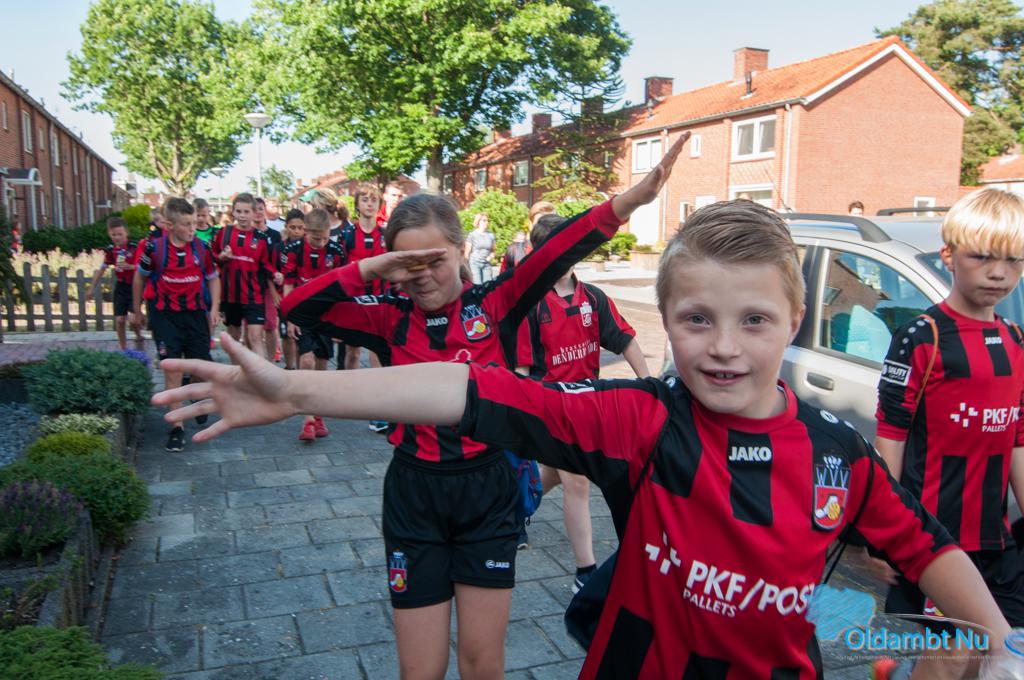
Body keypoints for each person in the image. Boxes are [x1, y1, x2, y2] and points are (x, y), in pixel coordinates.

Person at [156, 187, 1013, 678]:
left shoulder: (839, 452)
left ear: (795, 319)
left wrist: (1000, 646)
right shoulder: (639, 421)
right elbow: (466, 388)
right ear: (666, 322)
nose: (723, 346)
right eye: (697, 319)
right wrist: (295, 389)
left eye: (754, 319)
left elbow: (924, 547)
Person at [865, 188, 1024, 680]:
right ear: (949, 256)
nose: (998, 273)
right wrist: (881, 538)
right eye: (982, 257)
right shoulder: (922, 336)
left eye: (1013, 261)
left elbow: (1017, 440)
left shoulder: (1016, 341)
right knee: (951, 656)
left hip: (995, 541)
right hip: (933, 540)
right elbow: (890, 438)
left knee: (1000, 653)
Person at [513, 213, 651, 565]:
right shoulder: (530, 304)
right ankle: (586, 570)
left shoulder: (593, 297)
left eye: (570, 247)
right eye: (555, 249)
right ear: (539, 254)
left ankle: (510, 510)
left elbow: (625, 340)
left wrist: (648, 384)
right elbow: (522, 370)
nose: (564, 256)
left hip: (588, 406)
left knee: (554, 475)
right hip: (550, 407)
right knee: (578, 482)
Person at [133, 197, 220, 452]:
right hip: (165, 316)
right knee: (172, 368)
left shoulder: (201, 249)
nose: (193, 229)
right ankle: (176, 427)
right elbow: (139, 278)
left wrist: (214, 308)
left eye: (194, 223)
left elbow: (214, 278)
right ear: (169, 225)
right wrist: (136, 309)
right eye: (186, 224)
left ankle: (195, 394)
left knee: (200, 367)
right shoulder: (154, 249)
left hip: (195, 315)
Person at [281, 208, 348, 441]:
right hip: (302, 312)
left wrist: (341, 321)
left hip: (327, 313)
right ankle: (307, 420)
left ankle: (318, 414)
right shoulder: (292, 251)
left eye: (325, 238)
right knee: (306, 360)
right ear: (306, 232)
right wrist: (290, 317)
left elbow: (341, 288)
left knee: (321, 364)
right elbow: (288, 285)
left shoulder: (337, 251)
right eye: (316, 238)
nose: (321, 243)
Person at [337, 184, 389, 430]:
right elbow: (338, 270)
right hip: (353, 300)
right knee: (353, 350)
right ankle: (350, 396)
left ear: (379, 205)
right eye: (365, 199)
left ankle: (378, 406)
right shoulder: (347, 235)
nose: (369, 203)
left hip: (379, 300)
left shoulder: (385, 235)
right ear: (357, 204)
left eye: (373, 200)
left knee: (376, 348)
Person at [212, 193, 282, 358]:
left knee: (255, 337)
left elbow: (265, 263)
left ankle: (261, 373)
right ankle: (239, 372)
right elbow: (213, 257)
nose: (242, 216)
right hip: (230, 295)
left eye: (246, 212)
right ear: (233, 212)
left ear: (253, 213)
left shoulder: (261, 238)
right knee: (234, 338)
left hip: (253, 295)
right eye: (239, 211)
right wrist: (221, 257)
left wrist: (275, 273)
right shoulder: (224, 233)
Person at [87, 216, 141, 350]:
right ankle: (123, 348)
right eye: (113, 235)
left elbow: (146, 266)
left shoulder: (135, 247)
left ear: (126, 233)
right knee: (120, 320)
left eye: (120, 234)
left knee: (133, 320)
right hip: (121, 286)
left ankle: (138, 334)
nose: (117, 237)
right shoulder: (111, 250)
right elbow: (102, 269)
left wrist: (132, 266)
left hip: (135, 285)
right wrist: (91, 288)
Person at [255, 197, 284, 362]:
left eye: (260, 208)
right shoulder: (246, 234)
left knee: (271, 324)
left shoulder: (274, 235)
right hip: (250, 285)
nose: (257, 212)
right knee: (252, 327)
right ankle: (253, 362)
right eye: (254, 209)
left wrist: (277, 280)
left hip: (269, 286)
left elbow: (278, 262)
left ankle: (271, 362)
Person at [279, 209, 306, 370]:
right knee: (287, 335)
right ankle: (289, 368)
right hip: (284, 296)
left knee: (300, 335)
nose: (296, 231)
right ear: (286, 227)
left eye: (300, 227)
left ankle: (300, 370)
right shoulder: (280, 247)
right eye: (292, 227)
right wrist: (275, 295)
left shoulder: (307, 248)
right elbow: (273, 271)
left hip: (303, 297)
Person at [464, 213, 496, 284]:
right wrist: (466, 266)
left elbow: (493, 250)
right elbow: (467, 252)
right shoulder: (472, 235)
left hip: (486, 264)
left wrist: (491, 257)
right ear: (478, 222)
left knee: (488, 285)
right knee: (477, 285)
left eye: (487, 220)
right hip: (474, 264)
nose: (486, 222)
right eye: (484, 220)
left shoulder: (491, 235)